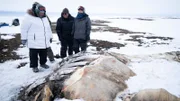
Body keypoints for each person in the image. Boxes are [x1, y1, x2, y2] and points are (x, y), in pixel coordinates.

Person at [21, 2, 52, 73]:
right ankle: (34, 66)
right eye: (40, 12)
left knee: (43, 54)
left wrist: (50, 37)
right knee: (33, 55)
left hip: (44, 40)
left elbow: (48, 28)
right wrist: (24, 38)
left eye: (43, 12)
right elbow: (24, 29)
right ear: (37, 11)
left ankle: (43, 63)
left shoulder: (45, 18)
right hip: (34, 40)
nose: (42, 13)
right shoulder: (28, 17)